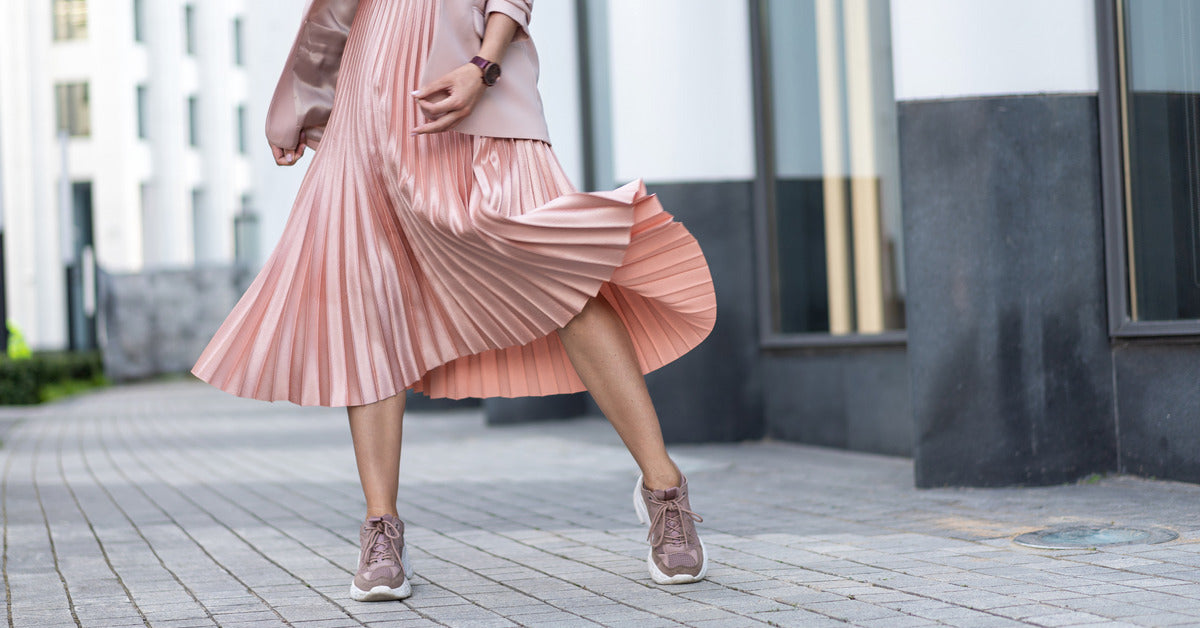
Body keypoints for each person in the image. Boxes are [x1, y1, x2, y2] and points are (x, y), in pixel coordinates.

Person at [191, 0, 716, 602]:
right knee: (370, 302)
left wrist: (483, 65)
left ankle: (664, 488)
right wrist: (299, 106)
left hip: (479, 85)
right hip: (373, 107)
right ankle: (380, 529)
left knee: (565, 280)